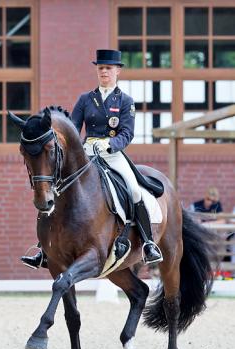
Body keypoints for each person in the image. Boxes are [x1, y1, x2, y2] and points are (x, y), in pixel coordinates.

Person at [22, 49, 162, 268]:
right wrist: (77, 147)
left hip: (112, 154)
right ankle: (43, 249)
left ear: (117, 71)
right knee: (58, 189)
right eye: (100, 68)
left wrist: (109, 144)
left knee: (134, 189)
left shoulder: (125, 101)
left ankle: (148, 243)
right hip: (87, 152)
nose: (104, 72)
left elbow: (127, 133)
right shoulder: (86, 99)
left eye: (108, 68)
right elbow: (74, 128)